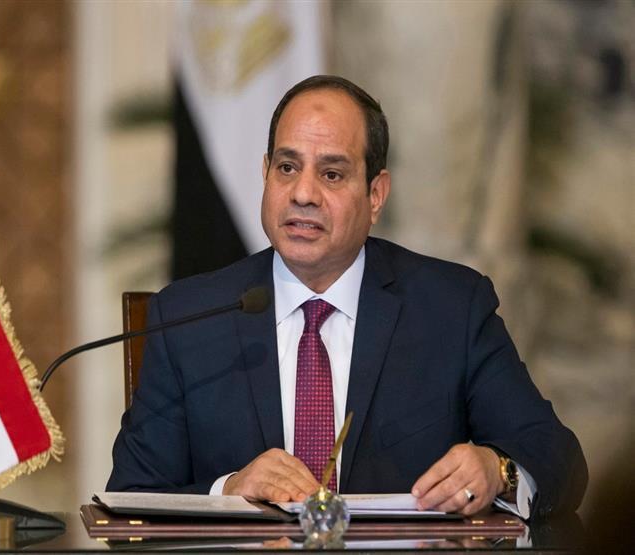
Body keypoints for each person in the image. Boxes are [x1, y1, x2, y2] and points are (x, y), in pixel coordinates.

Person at [107, 75, 587, 519]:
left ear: (376, 194)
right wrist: (227, 490)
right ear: (265, 173)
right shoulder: (187, 317)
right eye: (287, 167)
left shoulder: (451, 308)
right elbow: (130, 498)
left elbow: (558, 459)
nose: (303, 193)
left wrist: (497, 470)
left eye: (332, 174)